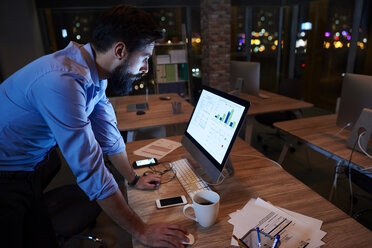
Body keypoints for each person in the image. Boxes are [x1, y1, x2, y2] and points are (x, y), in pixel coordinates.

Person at [0, 4, 189, 248]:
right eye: (144, 58)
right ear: (120, 50)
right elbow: (91, 169)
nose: (145, 68)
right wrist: (142, 231)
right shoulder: (62, 82)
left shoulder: (92, 71)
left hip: (28, 167)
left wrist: (132, 178)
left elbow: (109, 136)